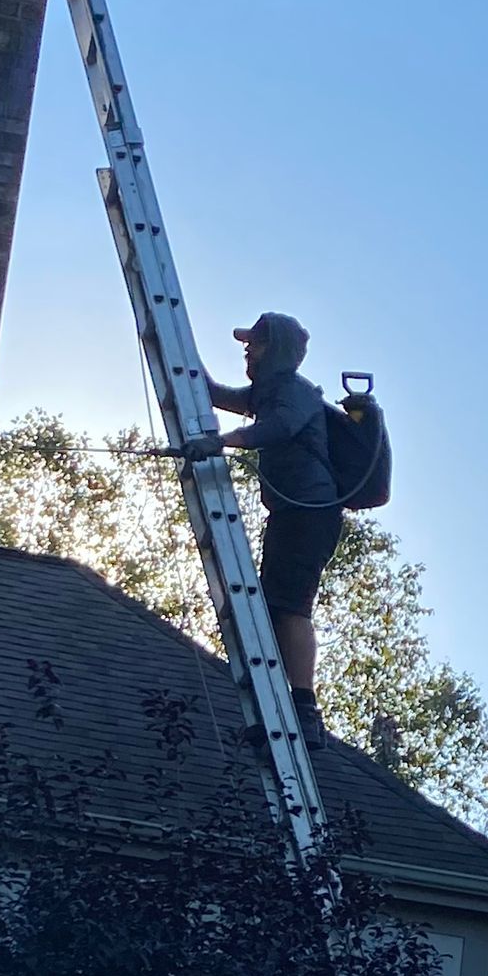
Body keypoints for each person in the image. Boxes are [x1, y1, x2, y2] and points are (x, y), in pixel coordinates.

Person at [181, 311, 342, 747]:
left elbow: (280, 428)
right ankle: (279, 707)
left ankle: (305, 710)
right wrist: (182, 352)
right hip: (292, 512)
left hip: (311, 511)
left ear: (277, 350)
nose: (248, 351)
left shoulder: (295, 393)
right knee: (271, 606)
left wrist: (221, 442)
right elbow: (218, 394)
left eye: (256, 343)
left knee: (291, 605)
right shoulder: (268, 392)